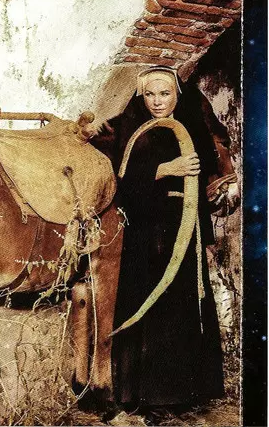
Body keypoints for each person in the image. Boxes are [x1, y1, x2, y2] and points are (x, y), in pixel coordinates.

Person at [91, 66, 239, 416]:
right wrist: (164, 169)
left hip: (185, 228)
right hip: (145, 232)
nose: (157, 102)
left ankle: (184, 392)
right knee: (151, 306)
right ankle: (146, 396)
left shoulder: (191, 128)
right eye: (150, 94)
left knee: (182, 309)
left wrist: (202, 229)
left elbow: (202, 183)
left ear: (177, 95)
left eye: (164, 94)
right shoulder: (129, 130)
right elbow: (118, 181)